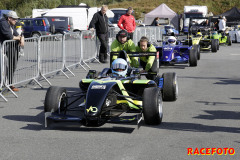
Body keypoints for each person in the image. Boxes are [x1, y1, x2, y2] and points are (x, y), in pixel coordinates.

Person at [0, 11, 24, 91]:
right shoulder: (3, 23)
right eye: (14, 19)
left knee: (12, 66)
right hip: (2, 48)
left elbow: (17, 34)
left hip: (11, 48)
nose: (16, 20)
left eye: (16, 19)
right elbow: (9, 36)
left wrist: (21, 37)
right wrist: (19, 38)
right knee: (2, 67)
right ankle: (1, 85)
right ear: (9, 18)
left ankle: (10, 84)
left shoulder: (11, 25)